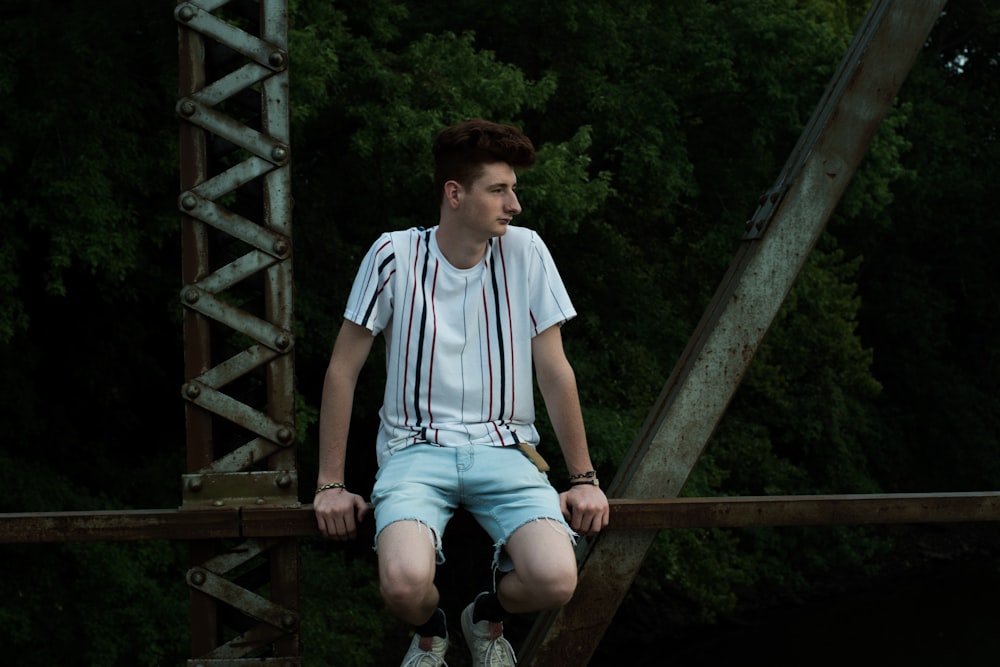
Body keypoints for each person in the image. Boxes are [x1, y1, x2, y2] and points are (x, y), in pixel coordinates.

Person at [313, 118, 609, 667]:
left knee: (555, 579)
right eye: (499, 189)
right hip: (413, 452)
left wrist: (584, 479)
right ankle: (431, 632)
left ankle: (486, 615)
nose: (513, 204)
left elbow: (554, 370)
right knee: (403, 584)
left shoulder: (527, 252)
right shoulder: (393, 255)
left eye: (512, 189)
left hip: (508, 450)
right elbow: (341, 371)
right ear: (455, 194)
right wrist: (331, 483)